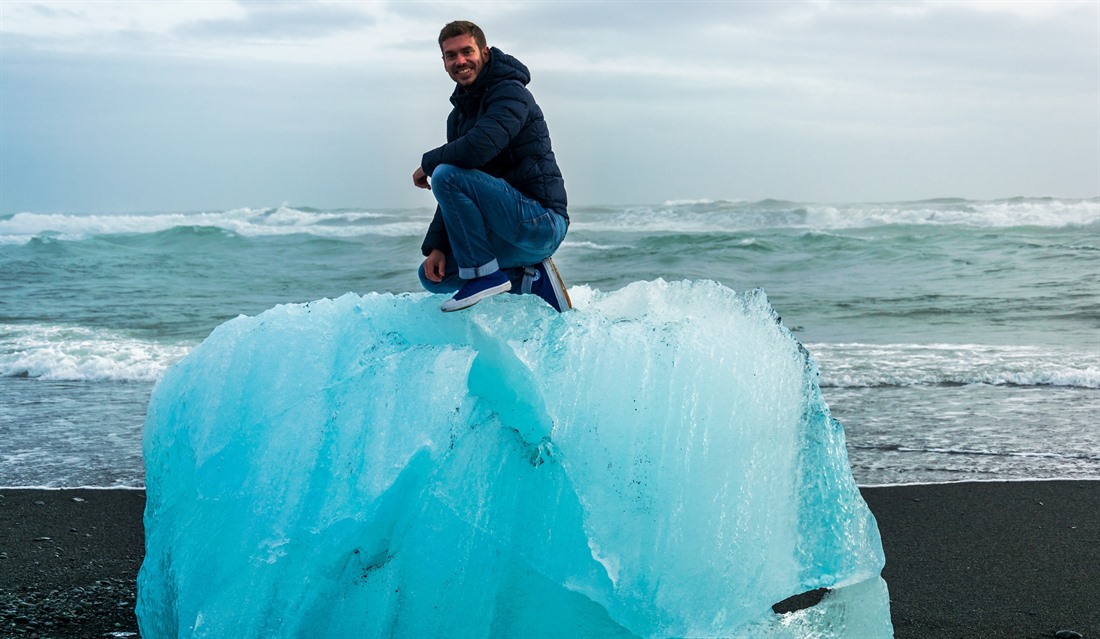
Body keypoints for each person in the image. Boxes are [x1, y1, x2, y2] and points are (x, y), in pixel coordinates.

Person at [413, 20, 571, 312]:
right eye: (451, 55)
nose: (460, 61)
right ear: (444, 62)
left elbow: (477, 149)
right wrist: (436, 245)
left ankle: (485, 276)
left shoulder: (511, 93)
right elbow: (457, 189)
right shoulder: (458, 117)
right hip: (505, 229)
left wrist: (429, 162)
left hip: (541, 222)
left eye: (466, 51)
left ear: (484, 52)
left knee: (446, 173)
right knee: (433, 276)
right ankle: (529, 278)